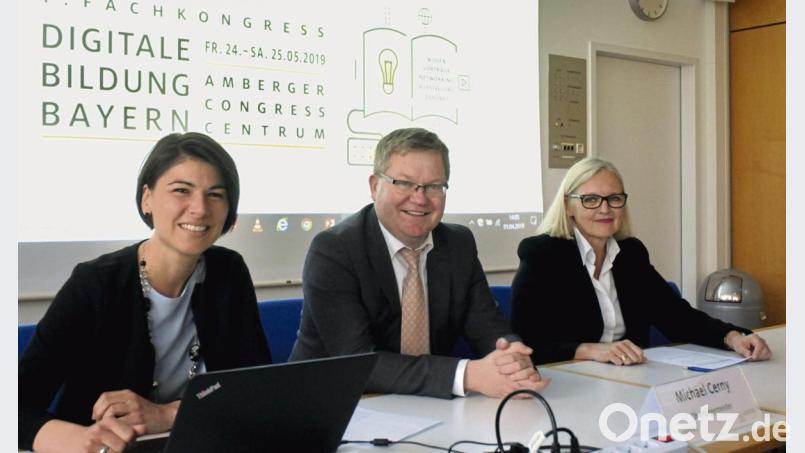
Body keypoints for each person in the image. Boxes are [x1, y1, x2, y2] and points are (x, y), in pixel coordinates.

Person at [19, 132, 272, 453]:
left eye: (216, 194)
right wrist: (80, 440)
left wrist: (167, 415)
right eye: (181, 190)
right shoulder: (95, 283)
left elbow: (253, 388)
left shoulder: (228, 272)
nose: (199, 208)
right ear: (147, 199)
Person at [289, 127, 549, 399]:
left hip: (423, 407)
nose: (420, 197)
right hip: (329, 404)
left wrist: (511, 358)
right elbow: (358, 362)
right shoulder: (335, 250)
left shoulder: (458, 245)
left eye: (434, 186)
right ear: (375, 186)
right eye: (404, 183)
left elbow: (488, 328)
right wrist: (468, 375)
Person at [511, 156, 772, 366]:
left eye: (614, 199)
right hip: (570, 382)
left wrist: (733, 336)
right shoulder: (542, 255)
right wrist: (590, 350)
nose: (605, 209)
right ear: (568, 206)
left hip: (629, 381)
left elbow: (676, 316)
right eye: (590, 200)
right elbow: (528, 342)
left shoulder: (630, 254)